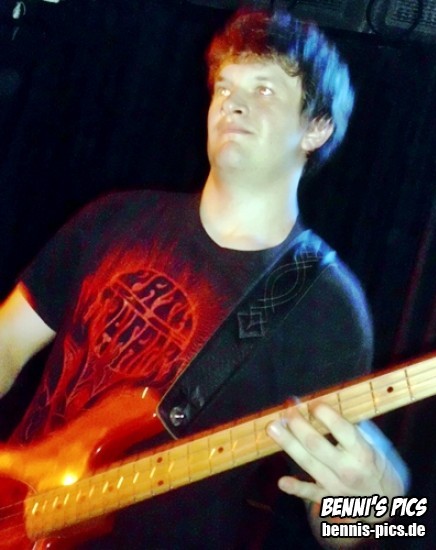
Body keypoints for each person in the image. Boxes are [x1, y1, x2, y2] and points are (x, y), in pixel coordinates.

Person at [0, 9, 406, 549]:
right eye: (225, 87)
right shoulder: (115, 219)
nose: (233, 103)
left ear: (316, 128)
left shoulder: (326, 307)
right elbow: (7, 346)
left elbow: (335, 525)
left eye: (264, 89)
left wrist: (375, 511)